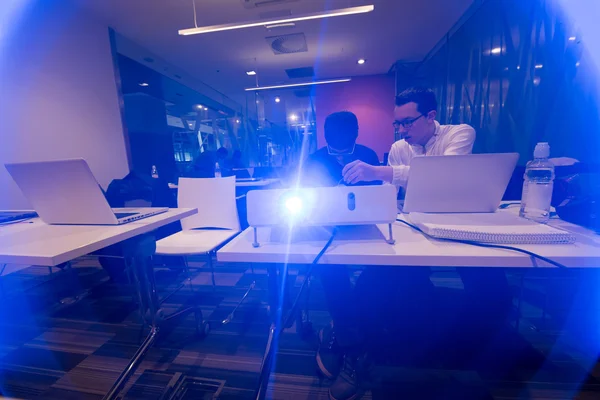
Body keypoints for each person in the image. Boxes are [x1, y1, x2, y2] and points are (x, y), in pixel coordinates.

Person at [342, 87, 513, 345]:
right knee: (385, 275)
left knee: (486, 278)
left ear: (431, 115)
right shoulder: (400, 148)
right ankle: (380, 335)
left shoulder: (460, 133)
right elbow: (390, 193)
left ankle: (487, 337)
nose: (401, 129)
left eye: (407, 122)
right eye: (397, 123)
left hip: (460, 219)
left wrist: (380, 171)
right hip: (417, 224)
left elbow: (441, 175)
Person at [302, 111, 419, 400]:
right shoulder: (314, 160)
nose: (339, 138)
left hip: (369, 226)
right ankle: (352, 347)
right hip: (327, 229)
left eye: (345, 131)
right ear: (325, 133)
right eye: (333, 132)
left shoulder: (367, 155)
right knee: (330, 271)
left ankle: (339, 331)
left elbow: (381, 192)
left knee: (382, 272)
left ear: (355, 132)